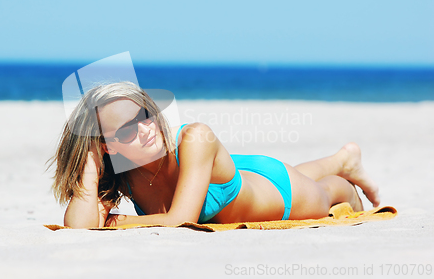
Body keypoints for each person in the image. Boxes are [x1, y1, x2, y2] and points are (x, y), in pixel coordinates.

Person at [49, 81, 380, 229]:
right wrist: (90, 170)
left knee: (324, 192)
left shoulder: (196, 136)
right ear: (107, 146)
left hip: (281, 192)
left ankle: (343, 172)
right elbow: (79, 228)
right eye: (127, 130)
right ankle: (342, 158)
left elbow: (181, 221)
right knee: (300, 172)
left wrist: (119, 222)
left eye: (144, 116)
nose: (147, 129)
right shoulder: (120, 171)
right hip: (230, 175)